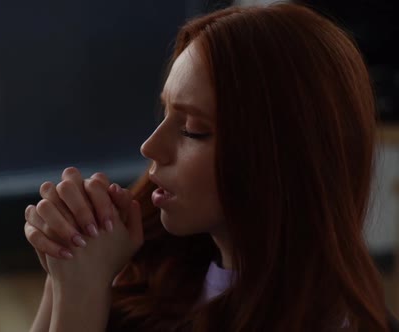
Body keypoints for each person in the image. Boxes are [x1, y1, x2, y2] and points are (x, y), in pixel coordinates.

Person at [23, 3, 396, 331]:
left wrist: (80, 296)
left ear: (280, 159)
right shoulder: (156, 266)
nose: (150, 146)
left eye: (192, 130)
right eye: (166, 112)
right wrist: (65, 274)